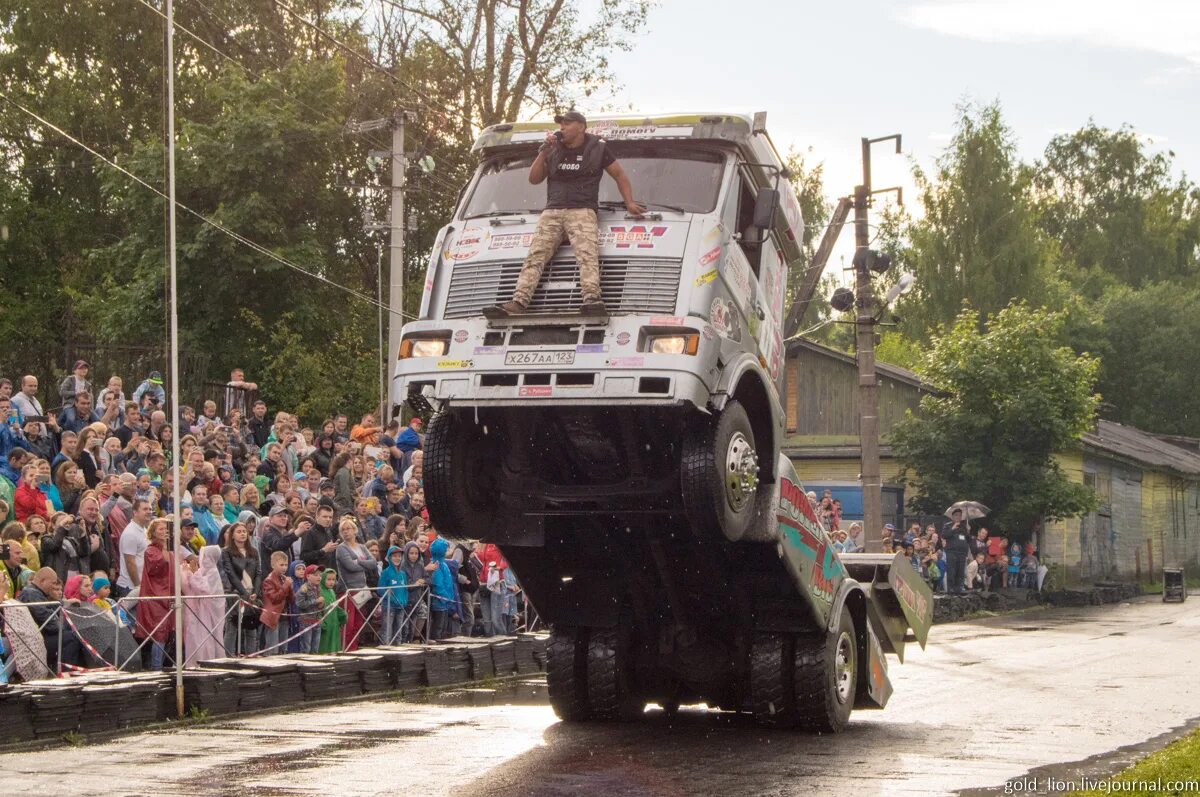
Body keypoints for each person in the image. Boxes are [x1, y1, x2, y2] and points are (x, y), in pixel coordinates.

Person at [485, 110, 644, 318]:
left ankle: (591, 299)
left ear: (581, 126)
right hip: (552, 210)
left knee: (587, 254)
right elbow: (534, 179)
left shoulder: (598, 148)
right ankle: (519, 301)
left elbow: (620, 175)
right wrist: (543, 152)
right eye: (561, 124)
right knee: (536, 255)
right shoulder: (553, 149)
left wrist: (629, 202)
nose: (562, 128)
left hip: (582, 210)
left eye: (567, 124)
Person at [20, 566, 85, 671]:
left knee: (75, 633)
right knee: (72, 637)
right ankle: (65, 673)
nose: (54, 587)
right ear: (42, 581)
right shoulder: (31, 593)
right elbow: (50, 625)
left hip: (39, 635)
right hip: (34, 639)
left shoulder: (37, 593)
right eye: (53, 583)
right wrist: (63, 625)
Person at [135, 518, 175, 669]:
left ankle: (164, 664)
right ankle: (155, 667)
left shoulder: (169, 550)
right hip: (156, 597)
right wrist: (166, 546)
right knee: (159, 634)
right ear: (152, 532)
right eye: (160, 529)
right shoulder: (151, 551)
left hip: (168, 595)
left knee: (167, 635)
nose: (164, 531)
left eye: (166, 529)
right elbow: (160, 564)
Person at [180, 545, 226, 666]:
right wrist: (187, 572)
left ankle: (210, 662)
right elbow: (192, 585)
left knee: (208, 638)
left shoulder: (213, 572)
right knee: (198, 638)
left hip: (209, 613)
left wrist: (193, 573)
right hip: (199, 611)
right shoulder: (203, 571)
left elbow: (203, 588)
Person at [219, 522, 260, 656]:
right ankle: (229, 658)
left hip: (251, 593)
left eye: (244, 531)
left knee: (251, 629)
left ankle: (250, 656)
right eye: (239, 531)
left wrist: (255, 592)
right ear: (232, 535)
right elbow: (230, 573)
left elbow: (258, 573)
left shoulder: (254, 551)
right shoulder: (226, 552)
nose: (243, 534)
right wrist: (243, 592)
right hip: (235, 593)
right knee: (232, 628)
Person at [335, 517, 374, 651]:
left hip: (361, 589)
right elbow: (350, 566)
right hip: (348, 590)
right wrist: (363, 564)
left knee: (358, 623)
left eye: (348, 529)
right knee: (348, 624)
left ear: (355, 530)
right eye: (343, 530)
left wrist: (358, 562)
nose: (346, 532)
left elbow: (373, 563)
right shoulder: (341, 548)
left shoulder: (362, 547)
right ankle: (345, 649)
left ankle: (354, 648)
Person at [259, 550, 291, 655]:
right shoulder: (269, 580)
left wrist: (290, 588)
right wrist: (286, 586)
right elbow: (274, 598)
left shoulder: (284, 579)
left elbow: (292, 599)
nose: (284, 567)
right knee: (272, 649)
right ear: (273, 565)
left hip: (284, 616)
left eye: (286, 565)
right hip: (273, 617)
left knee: (283, 648)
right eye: (281, 565)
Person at [377, 545, 410, 645]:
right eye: (394, 556)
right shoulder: (386, 572)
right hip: (389, 606)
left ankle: (398, 648)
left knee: (398, 630)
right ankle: (386, 648)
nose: (397, 558)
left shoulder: (403, 574)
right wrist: (392, 599)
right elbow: (380, 590)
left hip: (401, 606)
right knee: (387, 630)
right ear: (389, 558)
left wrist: (405, 600)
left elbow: (405, 589)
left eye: (399, 556)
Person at [427, 537, 458, 641]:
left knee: (443, 627)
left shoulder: (443, 564)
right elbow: (438, 585)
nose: (446, 551)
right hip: (439, 602)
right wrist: (447, 597)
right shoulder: (437, 564)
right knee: (438, 627)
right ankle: (436, 643)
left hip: (445, 601)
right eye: (445, 549)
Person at [295, 564, 324, 654]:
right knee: (306, 648)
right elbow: (300, 604)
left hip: (317, 620)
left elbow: (320, 606)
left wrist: (322, 604)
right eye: (315, 575)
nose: (319, 577)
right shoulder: (303, 589)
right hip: (306, 622)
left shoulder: (318, 588)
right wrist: (315, 601)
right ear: (308, 576)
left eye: (320, 575)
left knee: (315, 648)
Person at [942, 508, 971, 595]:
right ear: (953, 516)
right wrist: (953, 528)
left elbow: (968, 540)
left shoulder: (963, 527)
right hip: (951, 552)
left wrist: (968, 531)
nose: (958, 517)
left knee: (960, 572)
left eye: (960, 515)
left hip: (962, 553)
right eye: (956, 515)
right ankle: (950, 590)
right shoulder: (948, 525)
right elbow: (944, 535)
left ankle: (959, 590)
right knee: (951, 571)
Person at [317, 568, 346, 654]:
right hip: (325, 625)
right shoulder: (320, 591)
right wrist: (321, 622)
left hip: (334, 624)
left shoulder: (332, 592)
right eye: (328, 579)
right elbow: (317, 610)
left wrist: (342, 615)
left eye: (333, 579)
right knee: (324, 646)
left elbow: (335, 606)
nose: (331, 582)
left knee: (334, 646)